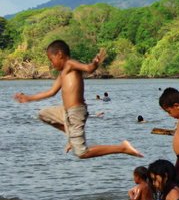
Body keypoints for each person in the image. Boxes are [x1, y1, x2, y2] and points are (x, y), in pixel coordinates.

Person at [13, 40, 142, 160]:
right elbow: (51, 92)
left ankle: (122, 148)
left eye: (51, 60)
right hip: (66, 112)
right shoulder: (63, 73)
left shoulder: (70, 64)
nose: (51, 64)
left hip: (76, 112)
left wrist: (95, 63)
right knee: (43, 114)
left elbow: (88, 68)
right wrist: (28, 98)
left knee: (81, 153)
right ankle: (70, 135)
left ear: (60, 54)